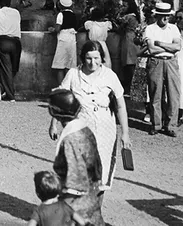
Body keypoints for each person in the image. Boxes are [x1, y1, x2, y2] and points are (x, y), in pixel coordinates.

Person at [52, 41, 131, 194]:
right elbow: (60, 100)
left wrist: (125, 134)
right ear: (83, 58)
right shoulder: (74, 74)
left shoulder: (110, 76)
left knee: (100, 173)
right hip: (80, 127)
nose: (92, 63)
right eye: (88, 58)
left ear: (102, 58)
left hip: (105, 130)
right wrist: (53, 124)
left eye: (96, 58)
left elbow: (121, 107)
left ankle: (94, 212)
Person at [46, 88, 105, 226]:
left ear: (55, 112)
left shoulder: (71, 138)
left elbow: (75, 183)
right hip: (91, 199)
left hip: (79, 208)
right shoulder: (83, 128)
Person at [143, 0, 181, 136]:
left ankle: (171, 125)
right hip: (156, 62)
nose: (165, 18)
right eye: (162, 15)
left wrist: (159, 43)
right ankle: (156, 124)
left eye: (168, 15)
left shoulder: (174, 28)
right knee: (155, 94)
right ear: (156, 16)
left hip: (171, 62)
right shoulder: (150, 29)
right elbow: (152, 50)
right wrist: (167, 46)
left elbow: (177, 47)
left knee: (173, 95)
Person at [0, 0, 22, 101]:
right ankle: (5, 90)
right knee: (14, 68)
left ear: (0, 2)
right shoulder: (16, 12)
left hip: (2, 41)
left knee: (6, 68)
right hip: (16, 42)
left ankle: (6, 92)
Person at [51, 0, 79, 86]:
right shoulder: (73, 15)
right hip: (72, 38)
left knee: (60, 65)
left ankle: (62, 87)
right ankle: (69, 86)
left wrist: (52, 29)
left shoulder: (60, 14)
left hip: (63, 38)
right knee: (69, 65)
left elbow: (58, 28)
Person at [116, 0, 142, 93]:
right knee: (131, 62)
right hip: (131, 38)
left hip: (128, 39)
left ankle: (131, 86)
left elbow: (119, 26)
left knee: (129, 62)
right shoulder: (134, 16)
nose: (123, 7)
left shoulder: (128, 17)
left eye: (124, 6)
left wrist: (118, 13)